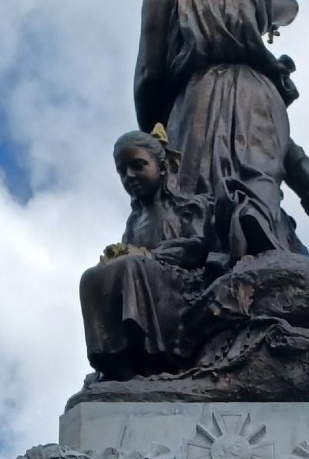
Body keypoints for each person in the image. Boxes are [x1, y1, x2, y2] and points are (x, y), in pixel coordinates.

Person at [134, 0, 309, 261]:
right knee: (260, 172)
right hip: (261, 96)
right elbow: (290, 6)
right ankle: (256, 235)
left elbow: (148, 74)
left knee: (198, 194)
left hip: (199, 96)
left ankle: (224, 256)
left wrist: (154, 139)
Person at [79, 127, 215, 380]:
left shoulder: (189, 206)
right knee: (91, 277)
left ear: (161, 167)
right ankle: (114, 361)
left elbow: (198, 246)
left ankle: (154, 354)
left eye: (138, 166)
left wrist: (149, 255)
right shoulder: (134, 222)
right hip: (145, 276)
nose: (129, 175)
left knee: (131, 265)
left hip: (184, 287)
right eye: (122, 171)